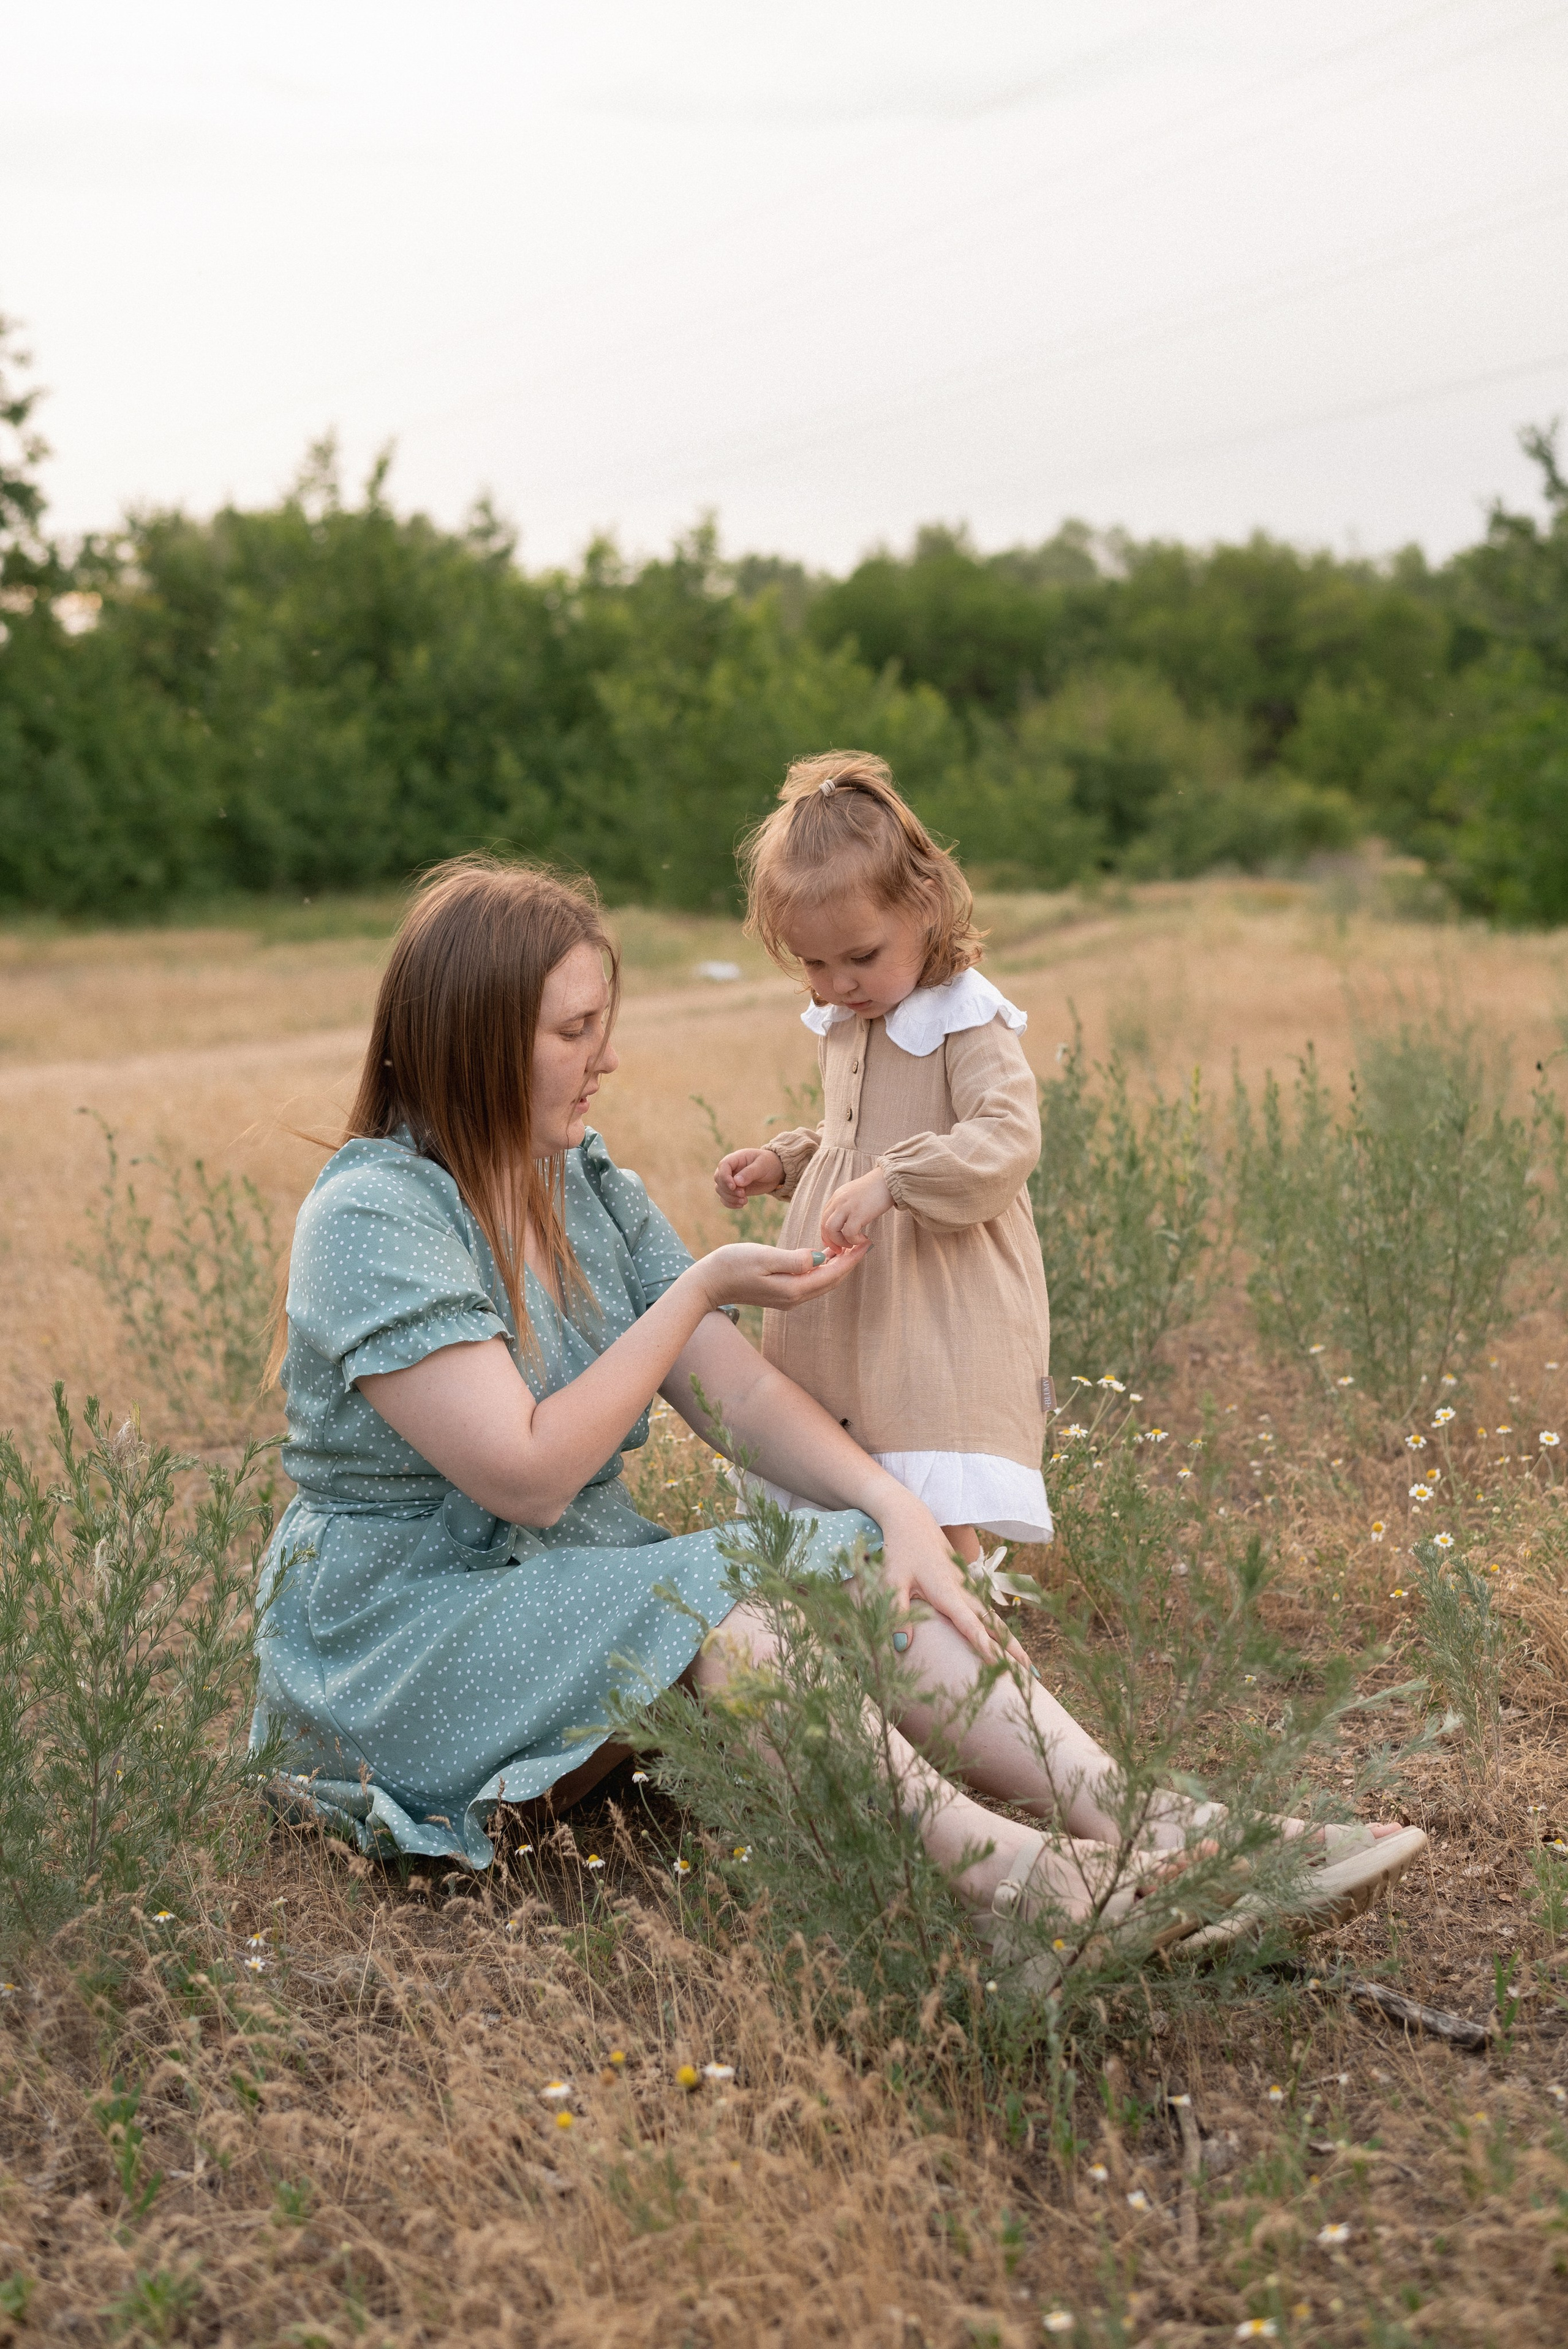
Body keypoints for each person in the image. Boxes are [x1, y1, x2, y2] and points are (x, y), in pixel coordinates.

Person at [253, 853, 1421, 1958]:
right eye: (573, 1033)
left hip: (546, 1596)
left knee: (870, 1548)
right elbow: (524, 1473)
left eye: (602, 1025)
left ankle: (1159, 1827)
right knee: (730, 1612)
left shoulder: (577, 1179)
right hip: (401, 1633)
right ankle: (1032, 1891)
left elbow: (737, 1389)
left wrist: (888, 1506)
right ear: (472, 1041)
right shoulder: (371, 1218)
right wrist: (701, 1283)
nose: (605, 1060)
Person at [713, 750, 1051, 1590]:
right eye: (814, 964)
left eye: (858, 956)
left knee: (930, 1479)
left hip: (931, 1298)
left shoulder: (965, 1019)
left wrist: (898, 1182)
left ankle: (969, 1627)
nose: (836, 984)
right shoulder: (848, 1019)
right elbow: (848, 1137)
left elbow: (1007, 1136)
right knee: (846, 1466)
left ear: (925, 905)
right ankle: (873, 1625)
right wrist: (783, 1160)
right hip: (850, 1299)